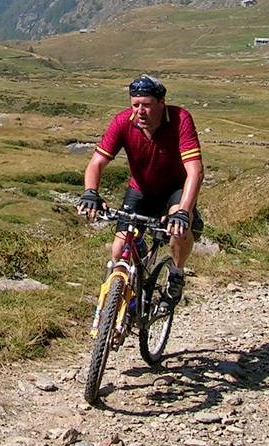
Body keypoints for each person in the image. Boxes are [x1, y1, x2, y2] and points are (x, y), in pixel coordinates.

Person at [76, 74, 204, 303]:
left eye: (146, 105)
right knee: (118, 251)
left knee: (178, 229)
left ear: (161, 102)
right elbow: (96, 163)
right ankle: (126, 306)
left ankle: (177, 271)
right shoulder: (123, 121)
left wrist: (185, 210)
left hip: (175, 189)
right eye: (135, 104)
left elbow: (195, 171)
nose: (140, 111)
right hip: (141, 190)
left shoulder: (180, 119)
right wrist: (90, 192)